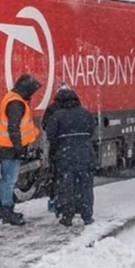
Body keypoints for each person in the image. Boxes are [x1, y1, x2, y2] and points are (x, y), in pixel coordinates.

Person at [0, 73, 41, 226]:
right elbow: (14, 128)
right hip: (10, 148)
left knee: (6, 180)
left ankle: (4, 209)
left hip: (5, 146)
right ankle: (7, 211)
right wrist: (19, 146)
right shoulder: (16, 103)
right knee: (9, 180)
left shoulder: (12, 98)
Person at [45, 87, 96, 226]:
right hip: (85, 154)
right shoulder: (86, 113)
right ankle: (87, 215)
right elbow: (92, 130)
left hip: (66, 156)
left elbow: (51, 135)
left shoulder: (58, 116)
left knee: (67, 186)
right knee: (86, 185)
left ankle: (67, 216)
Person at [42, 83, 71, 215]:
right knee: (70, 176)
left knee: (56, 175)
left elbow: (45, 126)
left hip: (57, 148)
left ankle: (55, 201)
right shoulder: (75, 108)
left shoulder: (52, 109)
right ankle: (69, 202)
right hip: (71, 148)